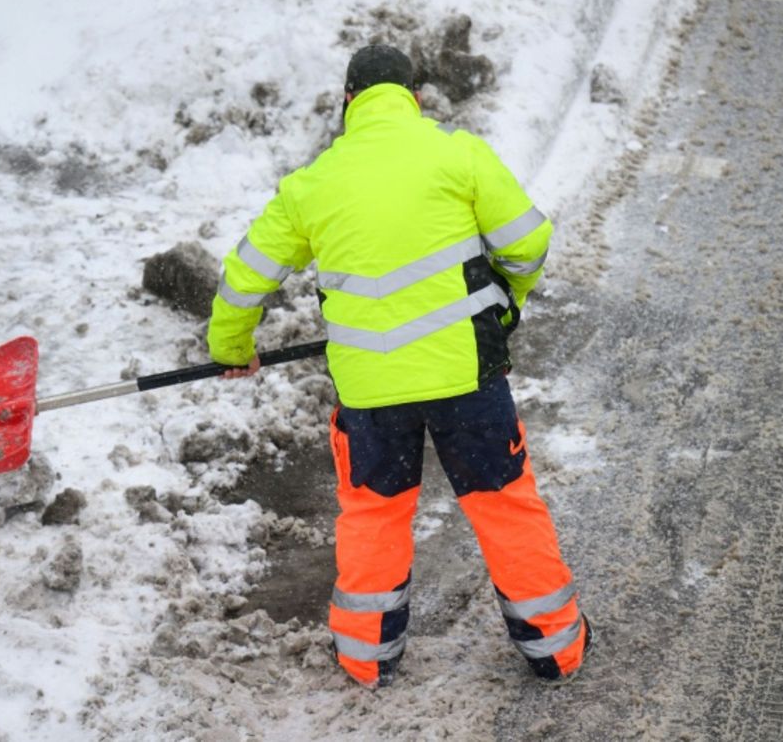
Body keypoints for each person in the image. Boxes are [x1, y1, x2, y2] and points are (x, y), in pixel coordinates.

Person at [206, 44, 590, 688]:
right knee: (502, 504)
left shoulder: (311, 185)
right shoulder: (457, 154)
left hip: (371, 392)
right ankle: (554, 648)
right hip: (465, 377)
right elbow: (528, 242)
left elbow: (244, 279)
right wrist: (506, 299)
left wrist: (232, 349)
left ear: (348, 102)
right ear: (414, 98)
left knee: (374, 513)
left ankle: (367, 656)